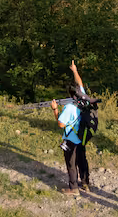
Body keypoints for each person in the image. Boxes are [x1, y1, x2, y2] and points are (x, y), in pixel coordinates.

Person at [50, 60, 91, 195]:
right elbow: (80, 83)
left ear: (69, 94)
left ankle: (73, 188)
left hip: (71, 139)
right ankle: (85, 183)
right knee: (82, 159)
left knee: (71, 164)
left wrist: (55, 110)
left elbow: (61, 124)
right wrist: (75, 71)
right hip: (82, 136)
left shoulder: (69, 107)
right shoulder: (84, 99)